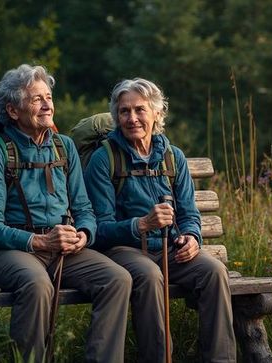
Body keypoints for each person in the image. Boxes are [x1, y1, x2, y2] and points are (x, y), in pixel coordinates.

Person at [0, 64, 132, 363]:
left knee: (117, 279)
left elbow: (84, 208)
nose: (47, 104)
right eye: (36, 99)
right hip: (12, 250)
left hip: (64, 249)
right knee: (36, 284)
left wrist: (83, 235)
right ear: (12, 110)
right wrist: (38, 242)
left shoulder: (65, 147)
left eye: (48, 96)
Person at [84, 78, 236, 362]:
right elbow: (98, 228)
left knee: (214, 271)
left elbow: (189, 214)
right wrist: (140, 224)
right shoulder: (104, 159)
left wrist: (192, 238)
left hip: (170, 250)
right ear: (116, 116)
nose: (132, 118)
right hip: (125, 251)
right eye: (124, 111)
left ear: (156, 113)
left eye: (140, 110)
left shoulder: (172, 157)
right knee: (150, 275)